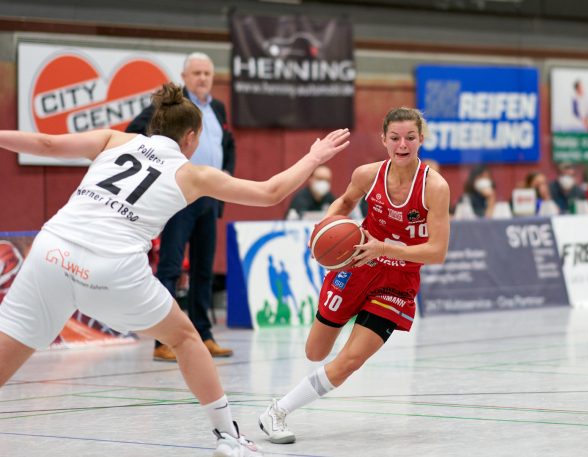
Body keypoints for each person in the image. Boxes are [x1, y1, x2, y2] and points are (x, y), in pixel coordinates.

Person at [0, 83, 350, 456]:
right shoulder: (192, 174)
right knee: (184, 338)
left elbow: (47, 145)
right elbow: (269, 192)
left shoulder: (113, 140)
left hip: (52, 249)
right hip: (111, 265)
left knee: (11, 343)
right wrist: (313, 157)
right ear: (191, 136)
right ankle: (227, 437)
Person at [257, 107, 450, 444]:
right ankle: (343, 318)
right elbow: (343, 203)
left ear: (421, 139)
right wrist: (323, 232)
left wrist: (386, 250)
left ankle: (276, 412)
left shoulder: (435, 187)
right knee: (315, 353)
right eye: (395, 138)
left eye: (410, 137)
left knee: (349, 361)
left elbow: (437, 252)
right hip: (357, 265)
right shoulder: (367, 174)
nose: (402, 144)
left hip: (396, 282)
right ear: (383, 140)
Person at [127, 52, 235, 362]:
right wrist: (160, 167)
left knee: (204, 269)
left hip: (209, 198)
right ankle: (164, 340)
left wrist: (227, 171)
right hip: (178, 196)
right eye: (197, 73)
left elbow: (228, 143)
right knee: (171, 268)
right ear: (185, 77)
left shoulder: (217, 108)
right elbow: (134, 130)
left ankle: (204, 335)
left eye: (207, 73)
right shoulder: (175, 108)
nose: (203, 78)